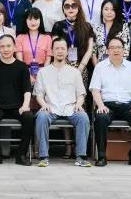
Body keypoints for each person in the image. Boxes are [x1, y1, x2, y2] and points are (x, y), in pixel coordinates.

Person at [33, 37, 92, 167]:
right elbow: (39, 94)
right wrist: (43, 105)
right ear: (52, 51)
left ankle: (81, 157)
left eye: (63, 48)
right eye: (57, 48)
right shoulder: (43, 72)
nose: (60, 51)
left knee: (83, 117)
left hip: (71, 108)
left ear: (67, 51)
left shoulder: (75, 72)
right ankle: (43, 156)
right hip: (50, 107)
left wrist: (79, 104)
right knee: (41, 117)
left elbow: (81, 94)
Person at [90, 36, 131, 167]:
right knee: (101, 117)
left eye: (118, 47)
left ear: (124, 50)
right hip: (107, 104)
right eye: (112, 48)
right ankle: (102, 156)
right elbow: (95, 90)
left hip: (127, 105)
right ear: (107, 50)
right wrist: (100, 106)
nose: (116, 50)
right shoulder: (100, 67)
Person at [0, 34, 35, 166]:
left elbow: (27, 89)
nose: (5, 49)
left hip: (18, 106)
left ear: (14, 47)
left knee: (29, 117)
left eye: (8, 46)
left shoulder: (22, 67)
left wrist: (25, 105)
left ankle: (21, 155)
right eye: (2, 46)